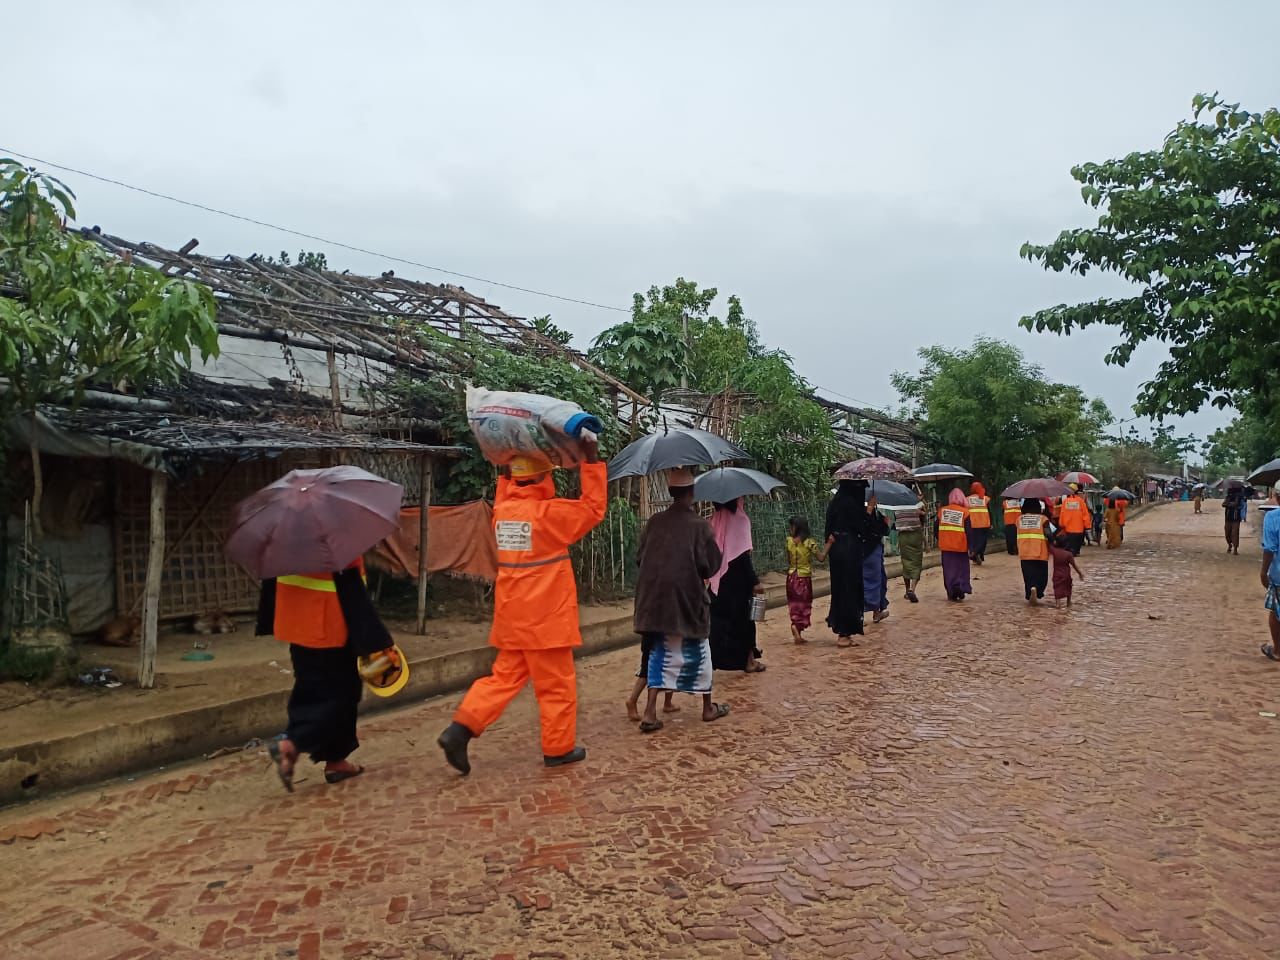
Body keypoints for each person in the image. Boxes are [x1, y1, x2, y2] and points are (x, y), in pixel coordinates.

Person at [437, 440, 606, 775]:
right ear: (544, 476)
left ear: (513, 477)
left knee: (503, 678)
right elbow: (593, 508)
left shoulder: (503, 511)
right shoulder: (550, 515)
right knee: (556, 685)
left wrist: (506, 463)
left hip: (513, 616)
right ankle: (558, 748)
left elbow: (506, 489)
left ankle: (461, 729)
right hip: (546, 619)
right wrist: (591, 461)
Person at [260, 555, 396, 792]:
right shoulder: (333, 539)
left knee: (312, 686)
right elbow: (349, 574)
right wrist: (374, 637)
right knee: (339, 694)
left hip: (296, 618)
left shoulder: (284, 539)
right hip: (330, 620)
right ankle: (291, 743)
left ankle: (336, 761)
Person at [630, 468, 729, 731]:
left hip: (653, 602)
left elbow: (640, 558)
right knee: (701, 651)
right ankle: (707, 707)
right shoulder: (700, 526)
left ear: (671, 492)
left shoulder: (654, 522)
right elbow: (711, 566)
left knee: (658, 653)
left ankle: (650, 711)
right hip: (687, 601)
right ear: (692, 493)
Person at [708, 498, 765, 673]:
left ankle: (712, 662)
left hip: (719, 580)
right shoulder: (740, 519)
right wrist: (755, 581)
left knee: (717, 623)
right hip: (739, 582)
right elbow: (743, 556)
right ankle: (749, 661)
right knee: (745, 622)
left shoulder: (714, 520)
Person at [824, 479, 875, 645]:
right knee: (849, 590)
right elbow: (862, 527)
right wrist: (869, 510)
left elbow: (828, 529)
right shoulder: (852, 504)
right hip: (849, 550)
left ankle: (842, 629)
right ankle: (844, 633)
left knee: (839, 589)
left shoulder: (835, 503)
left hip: (836, 550)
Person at [785, 516, 822, 641]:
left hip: (791, 577)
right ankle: (796, 627)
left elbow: (788, 560)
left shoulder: (789, 541)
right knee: (804, 604)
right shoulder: (809, 542)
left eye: (791, 526)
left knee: (794, 603)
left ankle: (796, 628)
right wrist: (829, 544)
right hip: (803, 578)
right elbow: (821, 558)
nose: (790, 529)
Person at [937, 488, 972, 602]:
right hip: (961, 546)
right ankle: (960, 587)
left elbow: (936, 528)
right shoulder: (965, 513)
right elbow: (969, 531)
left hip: (946, 546)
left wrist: (941, 539)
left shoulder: (942, 511)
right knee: (961, 569)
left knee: (948, 569)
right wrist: (971, 546)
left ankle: (951, 590)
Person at [1017, 498, 1051, 604]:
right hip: (1040, 551)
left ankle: (1031, 589)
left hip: (1024, 552)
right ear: (1038, 507)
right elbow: (1049, 534)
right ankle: (1038, 590)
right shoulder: (1043, 519)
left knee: (1028, 575)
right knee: (1041, 575)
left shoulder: (1019, 519)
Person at [1259, 493, 1280, 663]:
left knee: (1276, 610)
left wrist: (1263, 572)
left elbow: (1270, 548)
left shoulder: (1272, 517)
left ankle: (1278, 651)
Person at [894, 498, 926, 603]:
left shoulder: (897, 509)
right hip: (915, 535)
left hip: (903, 537)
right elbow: (924, 513)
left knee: (906, 563)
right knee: (916, 563)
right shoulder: (916, 506)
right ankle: (912, 589)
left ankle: (907, 590)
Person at [1049, 533, 1084, 608]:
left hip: (1057, 574)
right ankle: (1069, 602)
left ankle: (1058, 603)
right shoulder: (1069, 554)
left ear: (1057, 543)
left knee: (1057, 588)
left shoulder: (1055, 551)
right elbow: (1074, 566)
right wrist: (1080, 574)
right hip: (1066, 575)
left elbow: (1048, 544)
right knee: (1068, 587)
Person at [1057, 483, 1091, 556]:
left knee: (1070, 542)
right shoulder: (1080, 501)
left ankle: (1071, 552)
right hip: (1079, 528)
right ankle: (1076, 552)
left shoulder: (1065, 501)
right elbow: (1085, 514)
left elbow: (1062, 514)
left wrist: (1061, 524)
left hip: (1068, 528)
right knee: (1077, 542)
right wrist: (1087, 526)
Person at [964, 482, 992, 565]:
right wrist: (991, 522)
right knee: (982, 541)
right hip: (984, 523)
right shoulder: (985, 498)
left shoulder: (967, 499)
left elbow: (965, 512)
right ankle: (977, 553)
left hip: (972, 523)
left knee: (974, 541)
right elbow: (989, 511)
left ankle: (974, 554)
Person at [1224, 488, 1243, 555]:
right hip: (1228, 518)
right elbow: (1223, 504)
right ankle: (1229, 544)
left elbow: (1236, 504)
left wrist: (1228, 504)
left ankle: (1235, 549)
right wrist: (1230, 503)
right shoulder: (1228, 496)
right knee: (1227, 533)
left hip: (1236, 518)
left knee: (1235, 533)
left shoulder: (1239, 497)